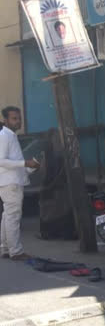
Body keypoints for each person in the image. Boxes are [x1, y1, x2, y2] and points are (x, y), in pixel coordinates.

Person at [0, 106, 41, 261]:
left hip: (10, 182)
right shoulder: (5, 136)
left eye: (19, 118)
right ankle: (16, 252)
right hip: (10, 184)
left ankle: (5, 248)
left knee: (7, 216)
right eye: (14, 118)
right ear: (6, 120)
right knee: (13, 217)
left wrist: (30, 168)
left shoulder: (10, 135)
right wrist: (25, 163)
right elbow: (1, 161)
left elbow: (14, 162)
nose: (18, 121)